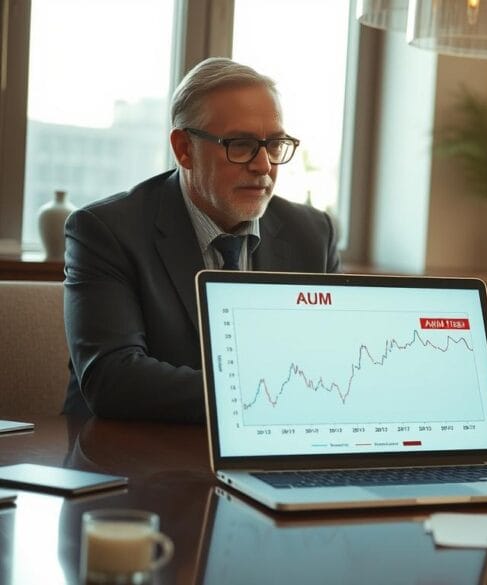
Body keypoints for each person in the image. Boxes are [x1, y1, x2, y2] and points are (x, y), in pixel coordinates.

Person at [63, 58, 340, 423]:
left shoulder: (313, 233)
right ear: (184, 149)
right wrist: (265, 392)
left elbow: (334, 365)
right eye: (240, 145)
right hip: (131, 457)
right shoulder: (105, 231)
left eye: (273, 145)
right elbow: (115, 380)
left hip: (272, 450)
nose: (263, 166)